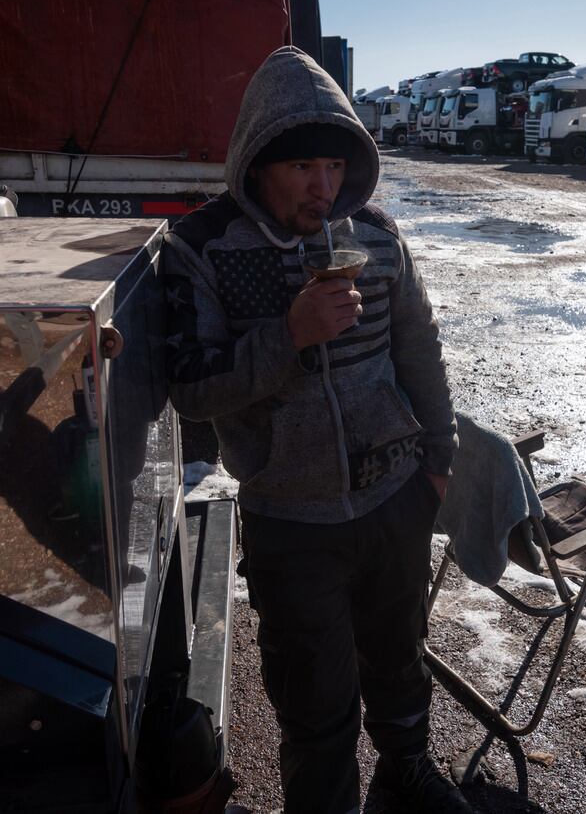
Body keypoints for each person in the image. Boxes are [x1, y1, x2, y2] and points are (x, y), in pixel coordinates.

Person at [162, 46, 469, 814]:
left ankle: (407, 769)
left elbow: (419, 347)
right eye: (302, 168)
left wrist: (439, 460)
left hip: (395, 499)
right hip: (291, 521)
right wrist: (289, 336)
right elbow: (192, 388)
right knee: (314, 696)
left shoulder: (378, 234)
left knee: (400, 660)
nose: (322, 186)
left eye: (334, 165)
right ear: (260, 161)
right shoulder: (201, 249)